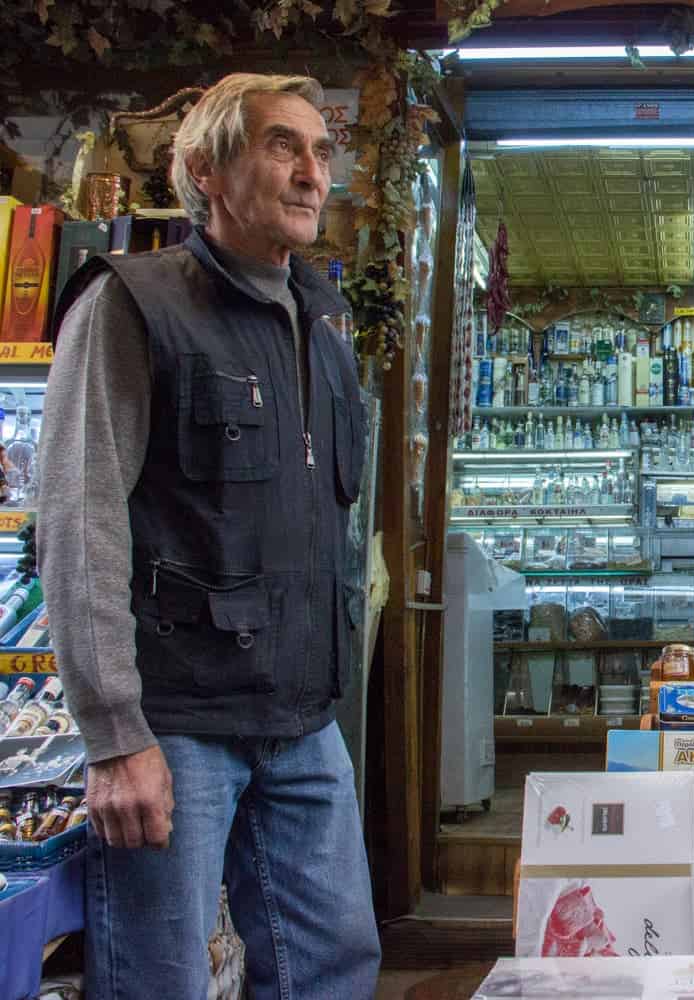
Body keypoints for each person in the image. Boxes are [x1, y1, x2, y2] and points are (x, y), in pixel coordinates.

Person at [38, 73, 381, 998]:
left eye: (321, 150)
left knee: (335, 969)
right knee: (162, 982)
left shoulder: (324, 326)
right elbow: (78, 522)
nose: (314, 172)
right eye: (282, 146)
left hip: (305, 727)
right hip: (176, 727)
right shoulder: (131, 305)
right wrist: (114, 735)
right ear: (206, 171)